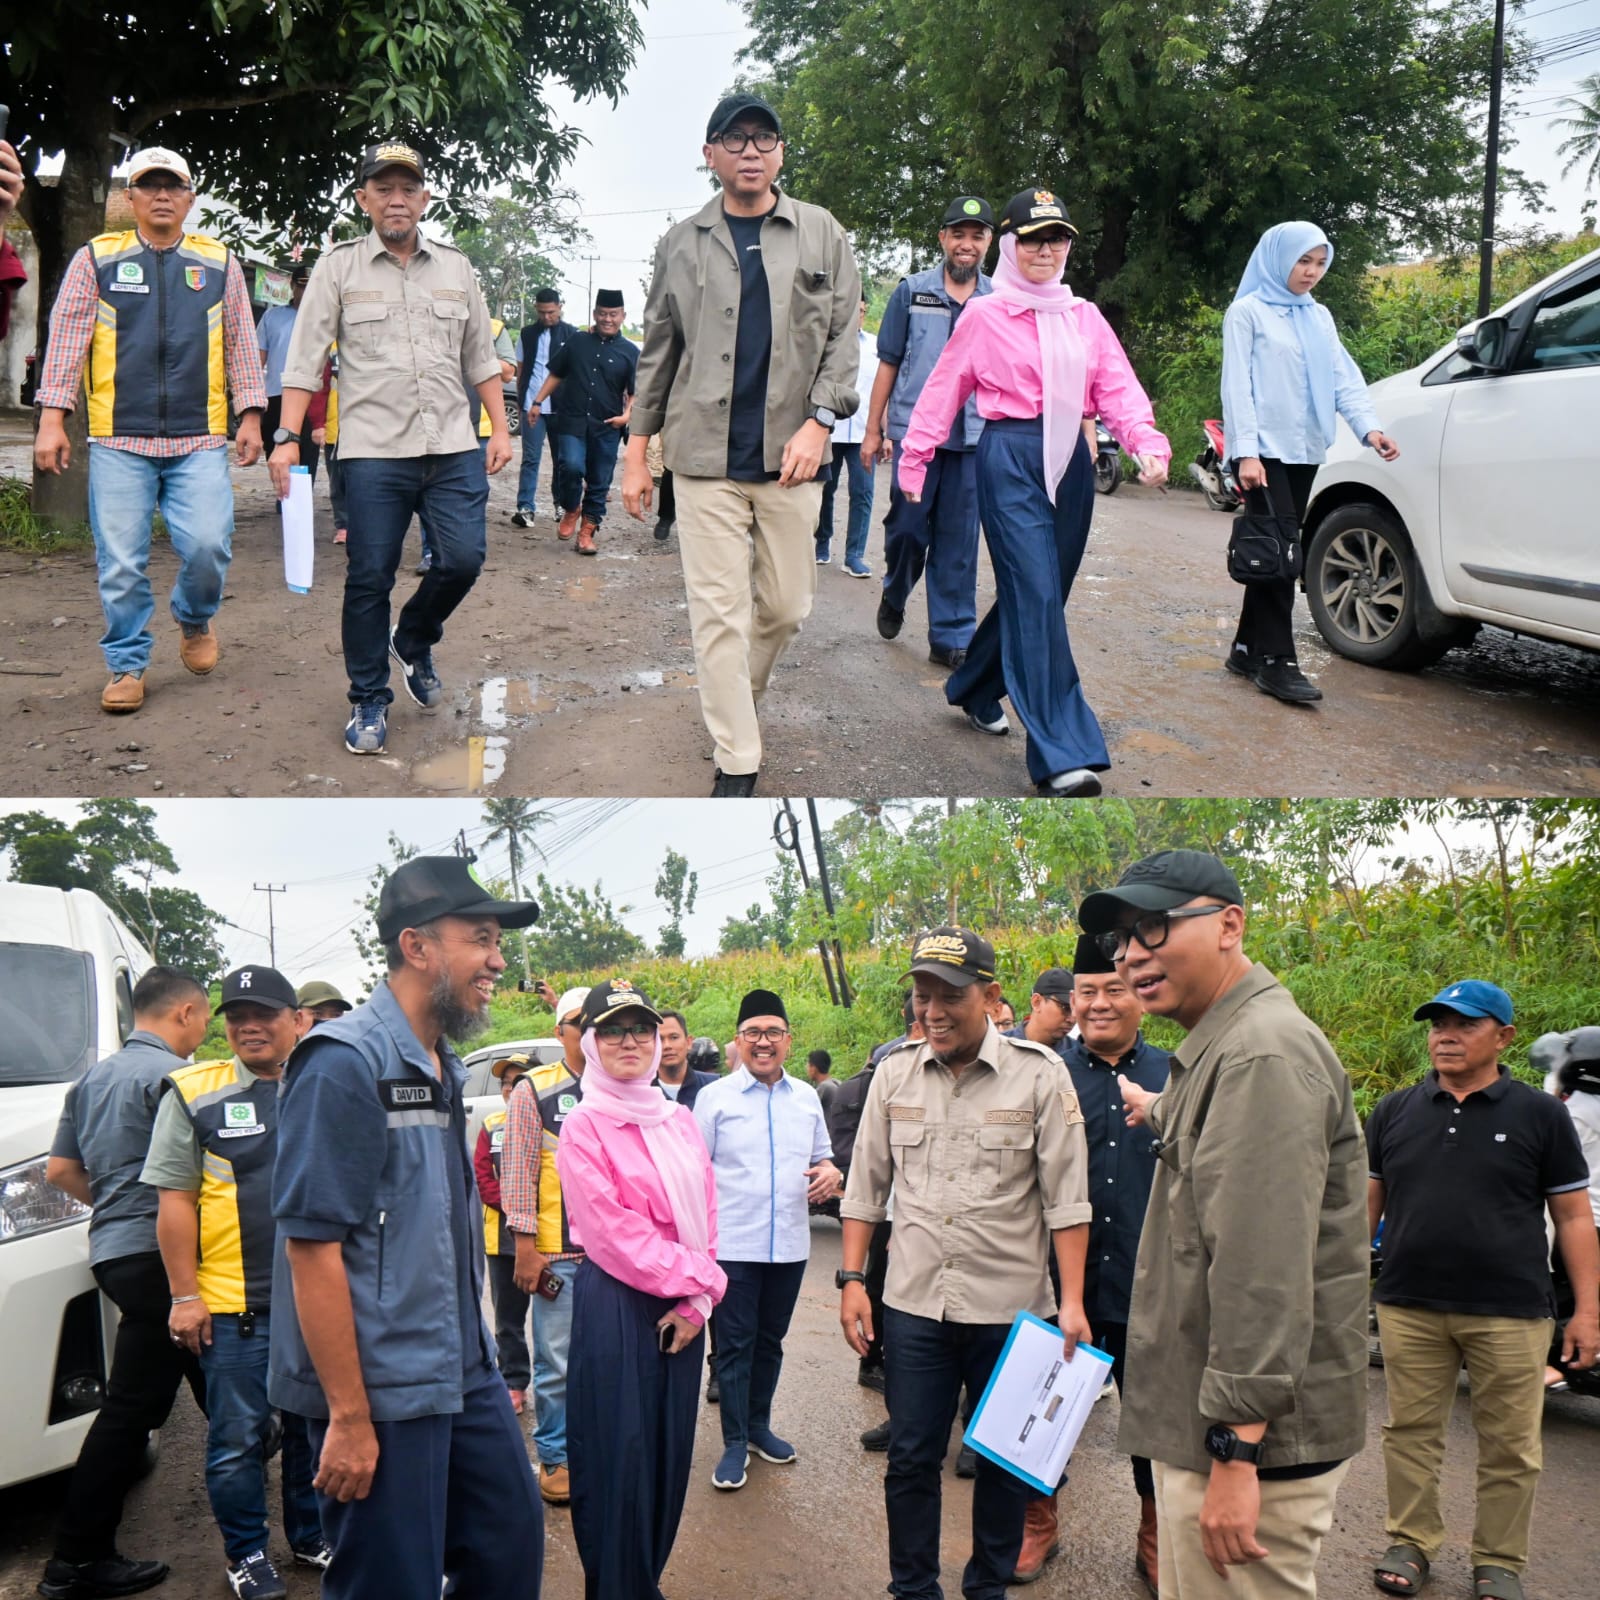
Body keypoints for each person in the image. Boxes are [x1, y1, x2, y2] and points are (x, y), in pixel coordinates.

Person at [1079, 849, 1367, 1600]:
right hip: (1222, 1430)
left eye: (1152, 928)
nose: (1132, 955)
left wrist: (1236, 1449)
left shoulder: (1259, 1056)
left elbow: (1260, 1267)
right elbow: (1222, 1148)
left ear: (1229, 925)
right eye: (1121, 942)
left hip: (1248, 1448)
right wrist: (1160, 1108)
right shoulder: (1229, 1046)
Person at [268, 856, 543, 1600]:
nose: (498, 958)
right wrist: (350, 1418)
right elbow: (312, 1249)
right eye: (481, 938)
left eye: (498, 940)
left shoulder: (442, 1063)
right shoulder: (343, 1064)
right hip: (384, 1387)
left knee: (508, 1546)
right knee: (392, 1582)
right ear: (417, 947)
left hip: (464, 1366)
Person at [620, 92, 863, 797]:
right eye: (734, 138)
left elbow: (844, 341)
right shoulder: (681, 242)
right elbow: (658, 354)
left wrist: (821, 422)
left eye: (764, 137)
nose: (750, 149)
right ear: (711, 154)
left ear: (781, 152)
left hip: (792, 456)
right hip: (702, 463)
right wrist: (639, 453)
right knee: (717, 616)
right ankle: (737, 760)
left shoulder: (822, 233)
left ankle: (733, 709)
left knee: (787, 608)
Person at [839, 927, 1092, 1600]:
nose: (934, 1011)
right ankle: (913, 1588)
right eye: (923, 996)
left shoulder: (1040, 1074)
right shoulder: (894, 1073)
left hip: (1012, 1311)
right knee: (912, 1458)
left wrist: (1071, 1302)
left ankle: (987, 1589)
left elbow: (1068, 1199)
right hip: (916, 1306)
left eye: (949, 995)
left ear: (990, 995)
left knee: (1005, 1466)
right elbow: (864, 1188)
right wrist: (853, 1281)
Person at [899, 187, 1170, 797]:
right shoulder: (987, 316)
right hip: (1010, 456)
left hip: (1070, 461)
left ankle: (972, 686)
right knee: (1038, 594)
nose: (1046, 249)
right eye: (1033, 238)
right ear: (1012, 246)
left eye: (1057, 238)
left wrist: (1145, 443)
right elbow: (942, 391)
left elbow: (1118, 389)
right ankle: (1060, 749)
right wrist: (914, 461)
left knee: (1043, 592)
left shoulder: (1084, 317)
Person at [268, 141, 509, 757]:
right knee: (368, 577)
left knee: (461, 560)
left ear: (425, 198)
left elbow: (480, 356)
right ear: (364, 200)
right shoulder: (338, 268)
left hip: (452, 445)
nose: (396, 199)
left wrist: (501, 428)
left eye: (408, 188)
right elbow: (305, 359)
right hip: (373, 451)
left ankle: (415, 636)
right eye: (383, 188)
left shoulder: (457, 268)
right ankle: (369, 698)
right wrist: (285, 438)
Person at [1365, 982, 1598, 1600]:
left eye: (1465, 1024)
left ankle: (1498, 1559)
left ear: (1504, 1036)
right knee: (1410, 1432)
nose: (1446, 1033)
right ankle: (1410, 1541)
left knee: (1512, 1446)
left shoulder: (1541, 1115)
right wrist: (1339, 1289)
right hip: (1409, 1303)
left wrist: (1588, 1312)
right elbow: (1367, 1208)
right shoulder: (1393, 1111)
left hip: (1512, 1309)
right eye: (1438, 1022)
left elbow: (1575, 1218)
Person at [33, 146, 266, 716]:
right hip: (118, 437)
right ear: (130, 196)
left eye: (174, 186)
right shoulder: (98, 258)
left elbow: (240, 342)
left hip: (200, 437)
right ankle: (128, 663)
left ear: (190, 198)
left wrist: (252, 415)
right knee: (120, 562)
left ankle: (193, 616)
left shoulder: (219, 263)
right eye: (149, 185)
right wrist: (51, 419)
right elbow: (66, 340)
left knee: (209, 545)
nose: (162, 195)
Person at [142, 966, 325, 1599]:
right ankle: (246, 1553)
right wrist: (185, 1296)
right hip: (235, 1309)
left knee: (311, 1429)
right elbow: (175, 1202)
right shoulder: (194, 1094)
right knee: (237, 1441)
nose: (249, 1025)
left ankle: (311, 1536)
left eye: (265, 1013)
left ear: (298, 1020)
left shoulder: (323, 1085)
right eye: (236, 1014)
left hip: (317, 1303)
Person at [40, 967, 213, 1600]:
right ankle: (76, 1562)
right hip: (165, 1258)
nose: (205, 1030)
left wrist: (115, 1205)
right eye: (205, 1018)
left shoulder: (90, 1081)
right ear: (186, 1013)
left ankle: (254, 1466)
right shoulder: (175, 1078)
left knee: (182, 1380)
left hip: (114, 1252)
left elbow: (61, 1170)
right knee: (136, 1406)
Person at [556, 980, 728, 1600]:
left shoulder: (678, 1120)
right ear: (591, 1043)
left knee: (665, 1454)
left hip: (683, 1309)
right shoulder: (584, 1125)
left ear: (658, 1041)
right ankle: (615, 1586)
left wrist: (697, 1301)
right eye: (612, 1030)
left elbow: (706, 1215)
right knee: (617, 1457)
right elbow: (613, 1236)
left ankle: (644, 1579)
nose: (629, 1040)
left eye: (641, 1029)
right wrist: (706, 1279)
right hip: (619, 1309)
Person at [1220, 221, 1400, 704]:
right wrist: (1246, 452)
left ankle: (1244, 647)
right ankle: (1278, 662)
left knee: (1276, 546)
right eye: (1303, 261)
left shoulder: (1318, 317)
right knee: (1281, 549)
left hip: (1305, 448)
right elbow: (1237, 386)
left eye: (1320, 263)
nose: (1312, 272)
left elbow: (1343, 375)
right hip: (1266, 450)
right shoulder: (1247, 313)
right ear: (1278, 258)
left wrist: (1369, 427)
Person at [1059, 933, 1171, 1595]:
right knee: (1042, 1411)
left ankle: (1155, 1535)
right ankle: (1037, 1520)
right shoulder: (1041, 1071)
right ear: (1072, 999)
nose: (1100, 1003)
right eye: (1088, 991)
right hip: (1058, 1283)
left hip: (1146, 1280)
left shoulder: (1174, 1073)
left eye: (1116, 988)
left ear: (1141, 996)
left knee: (1153, 1420)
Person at [693, 990, 841, 1490]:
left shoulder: (805, 1098)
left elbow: (824, 1158)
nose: (763, 1042)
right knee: (734, 1346)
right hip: (733, 1245)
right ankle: (734, 1443)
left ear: (788, 1041)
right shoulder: (714, 1099)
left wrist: (829, 1172)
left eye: (773, 1033)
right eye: (753, 1033)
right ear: (739, 1041)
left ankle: (759, 1428)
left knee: (770, 1343)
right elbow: (694, 1175)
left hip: (791, 1245)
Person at [863, 197, 995, 665]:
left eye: (976, 236)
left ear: (988, 243)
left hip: (974, 439)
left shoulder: (998, 301)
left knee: (960, 541)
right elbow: (889, 362)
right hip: (916, 438)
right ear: (942, 238)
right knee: (907, 529)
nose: (966, 244)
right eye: (958, 234)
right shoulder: (912, 292)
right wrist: (873, 430)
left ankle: (951, 637)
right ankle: (895, 590)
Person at [502, 984, 590, 1503]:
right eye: (578, 1020)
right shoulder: (536, 1090)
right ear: (560, 1032)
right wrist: (526, 1249)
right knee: (556, 1363)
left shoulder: (625, 1085)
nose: (591, 1030)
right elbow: (517, 1173)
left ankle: (597, 1448)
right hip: (562, 1257)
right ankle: (555, 1456)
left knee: (608, 1359)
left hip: (617, 1259)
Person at [529, 289, 637, 555]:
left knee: (600, 481)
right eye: (602, 314)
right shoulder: (578, 341)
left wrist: (627, 415)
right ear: (594, 314)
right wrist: (537, 402)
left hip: (607, 426)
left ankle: (587, 533)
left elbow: (635, 391)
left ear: (623, 316)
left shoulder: (630, 352)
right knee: (570, 466)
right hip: (572, 420)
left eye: (613, 314)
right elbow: (557, 373)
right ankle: (571, 507)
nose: (607, 319)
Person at [474, 1056, 532, 1413]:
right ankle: (514, 1382)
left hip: (549, 1239)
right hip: (502, 1239)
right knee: (508, 1319)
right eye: (506, 1083)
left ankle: (563, 1381)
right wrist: (515, 1207)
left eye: (519, 1080)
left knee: (553, 1320)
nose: (511, 1088)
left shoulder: (553, 1120)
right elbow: (482, 1177)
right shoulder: (491, 1124)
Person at [815, 294, 878, 575]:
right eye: (856, 310)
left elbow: (883, 388)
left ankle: (854, 555)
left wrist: (884, 434)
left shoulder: (876, 347)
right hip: (830, 429)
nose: (859, 316)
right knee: (825, 490)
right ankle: (821, 544)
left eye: (863, 311)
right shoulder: (826, 346)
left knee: (863, 492)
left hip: (864, 433)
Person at [513, 288, 575, 527]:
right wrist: (521, 401)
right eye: (542, 312)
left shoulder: (571, 334)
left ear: (559, 307)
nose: (547, 317)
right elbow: (521, 369)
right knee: (530, 458)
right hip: (531, 406)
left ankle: (561, 503)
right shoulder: (527, 334)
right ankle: (525, 507)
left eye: (551, 312)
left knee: (563, 460)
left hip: (561, 406)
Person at [258, 263, 321, 481]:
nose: (307, 291)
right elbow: (260, 357)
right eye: (302, 286)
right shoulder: (272, 317)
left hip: (311, 395)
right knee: (275, 445)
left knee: (308, 452)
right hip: (276, 394)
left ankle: (301, 502)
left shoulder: (324, 318)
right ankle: (283, 497)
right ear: (293, 286)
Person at [657, 1008, 718, 1108]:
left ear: (689, 1042)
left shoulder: (714, 1086)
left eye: (674, 1037)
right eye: (660, 1039)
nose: (667, 1045)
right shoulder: (642, 1092)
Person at [1011, 967, 1075, 1056]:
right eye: (1065, 1008)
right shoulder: (1000, 1048)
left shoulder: (1080, 1057)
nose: (1072, 1019)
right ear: (1036, 1002)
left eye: (1076, 1010)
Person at [806, 1047, 839, 1117]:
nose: (807, 1069)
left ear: (814, 1068)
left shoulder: (824, 1087)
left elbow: (807, 1111)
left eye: (808, 1066)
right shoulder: (837, 1083)